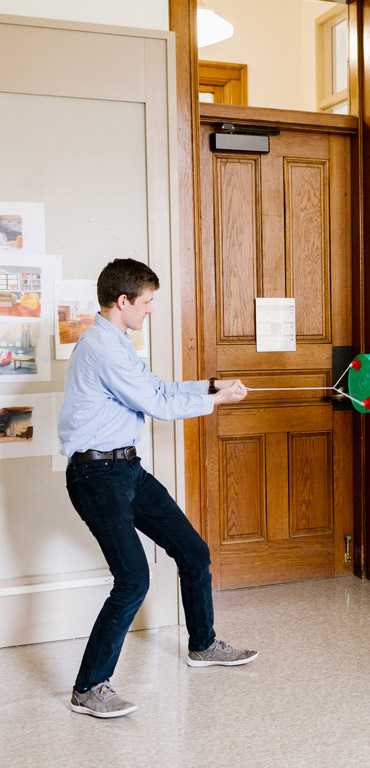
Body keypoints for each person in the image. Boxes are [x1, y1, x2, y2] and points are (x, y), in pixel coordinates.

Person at [58, 258, 257, 719]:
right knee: (133, 578)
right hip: (96, 477)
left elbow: (159, 388)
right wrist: (216, 400)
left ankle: (203, 645)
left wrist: (211, 384)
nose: (150, 310)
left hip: (127, 469)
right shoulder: (101, 349)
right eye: (146, 303)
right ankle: (89, 686)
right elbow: (156, 404)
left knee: (193, 551)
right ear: (123, 301)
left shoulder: (119, 342)